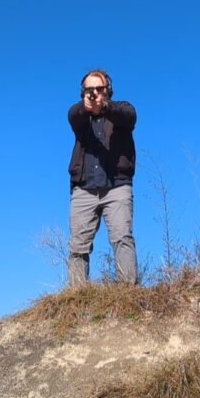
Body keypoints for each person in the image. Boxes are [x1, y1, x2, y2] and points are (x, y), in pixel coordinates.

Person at [66, 69, 138, 286]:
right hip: (84, 189)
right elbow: (72, 115)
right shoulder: (80, 116)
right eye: (90, 90)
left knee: (122, 238)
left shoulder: (122, 111)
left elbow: (129, 116)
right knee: (78, 246)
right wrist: (87, 107)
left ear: (108, 90)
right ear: (83, 93)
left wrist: (105, 107)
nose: (95, 93)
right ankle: (76, 298)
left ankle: (128, 294)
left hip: (116, 187)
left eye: (100, 89)